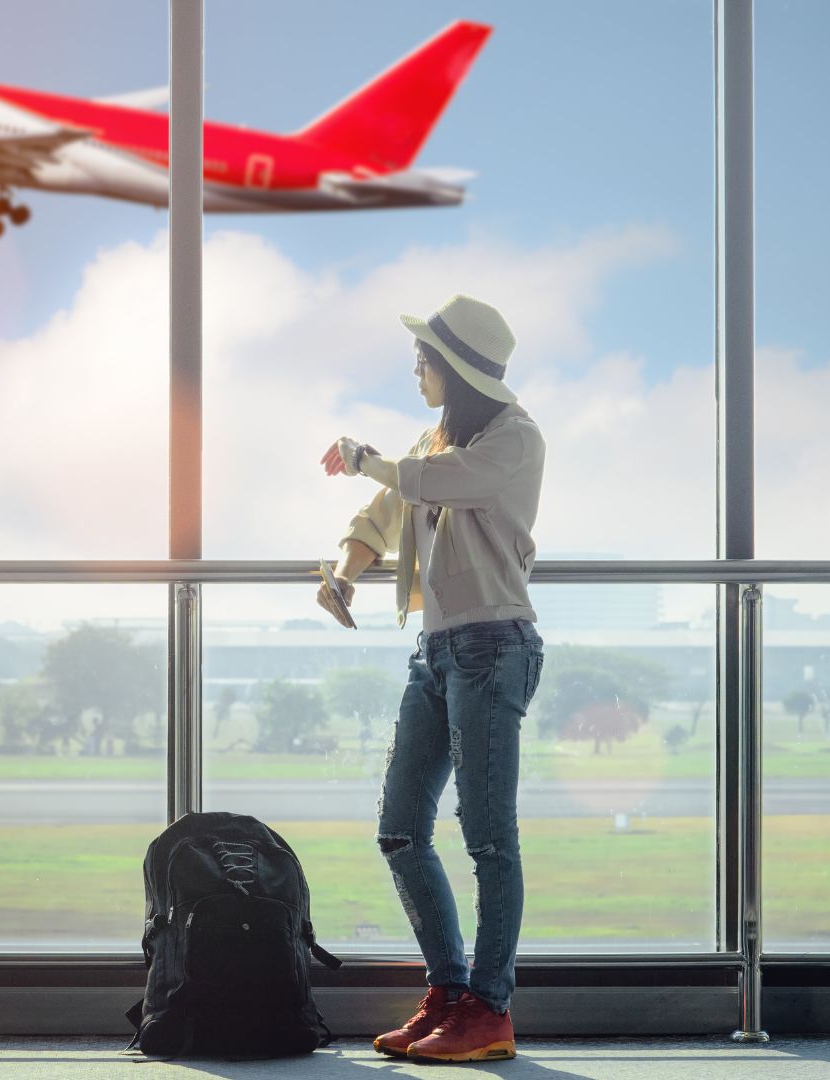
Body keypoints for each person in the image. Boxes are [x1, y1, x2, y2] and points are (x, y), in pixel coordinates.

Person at [317, 294, 545, 1064]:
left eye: (425, 357)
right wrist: (346, 576)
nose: (415, 367)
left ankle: (490, 1009)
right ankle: (449, 995)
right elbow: (384, 514)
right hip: (437, 652)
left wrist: (363, 458)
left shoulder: (515, 439)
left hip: (494, 646)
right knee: (401, 829)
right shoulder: (434, 441)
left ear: (457, 368)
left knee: (489, 839)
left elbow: (425, 482)